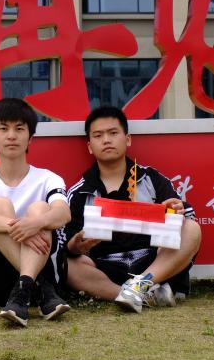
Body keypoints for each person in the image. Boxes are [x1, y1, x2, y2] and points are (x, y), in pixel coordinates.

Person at [64, 105, 202, 313]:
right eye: (98, 135)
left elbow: (188, 216)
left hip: (153, 264)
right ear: (90, 146)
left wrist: (176, 211)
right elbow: (66, 242)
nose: (106, 140)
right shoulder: (79, 192)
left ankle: (140, 287)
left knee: (191, 228)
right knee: (68, 264)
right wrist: (75, 246)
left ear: (127, 139)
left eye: (113, 133)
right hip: (105, 269)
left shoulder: (152, 179)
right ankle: (138, 296)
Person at [0, 97, 72, 327]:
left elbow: (63, 214)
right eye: (3, 129)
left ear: (30, 137)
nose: (11, 135)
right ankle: (38, 285)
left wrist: (36, 223)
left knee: (40, 209)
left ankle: (24, 286)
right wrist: (21, 229)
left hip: (33, 280)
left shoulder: (48, 178)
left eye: (19, 129)